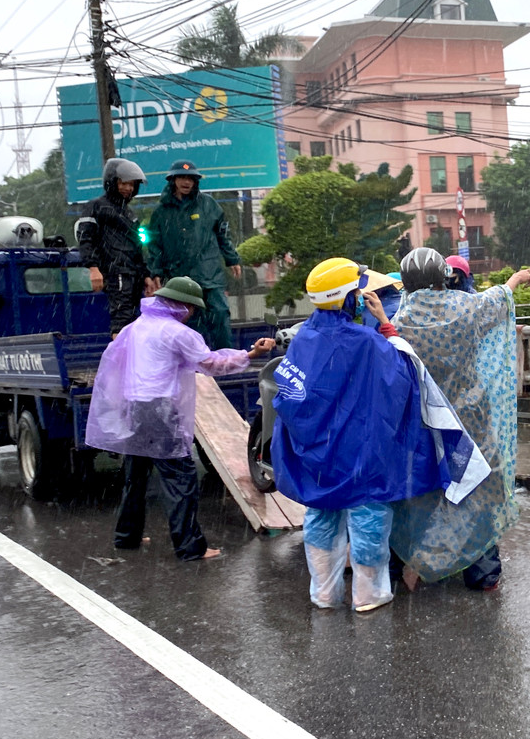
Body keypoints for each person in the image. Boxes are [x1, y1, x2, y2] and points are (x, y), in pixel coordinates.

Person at [271, 258, 454, 612]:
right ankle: (369, 594)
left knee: (322, 518)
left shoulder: (305, 337)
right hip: (358, 454)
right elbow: (404, 374)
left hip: (318, 455)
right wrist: (386, 325)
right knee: (368, 518)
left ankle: (324, 593)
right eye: (357, 290)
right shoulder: (364, 341)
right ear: (347, 297)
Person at [86, 276, 274, 561]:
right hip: (160, 410)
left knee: (135, 476)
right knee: (181, 478)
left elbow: (117, 363)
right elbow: (212, 364)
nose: (193, 313)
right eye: (193, 307)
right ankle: (190, 547)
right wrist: (251, 353)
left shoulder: (135, 327)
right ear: (183, 305)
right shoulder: (177, 333)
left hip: (136, 406)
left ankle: (127, 537)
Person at [389, 247, 530, 590]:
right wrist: (514, 278)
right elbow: (497, 299)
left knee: (427, 491)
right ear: (443, 276)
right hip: (470, 416)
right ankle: (482, 572)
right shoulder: (466, 308)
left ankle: (416, 563)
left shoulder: (399, 320)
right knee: (480, 486)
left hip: (426, 420)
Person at [145, 159, 242, 350]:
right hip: (179, 277)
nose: (186, 182)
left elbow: (223, 234)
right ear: (172, 180)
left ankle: (226, 359)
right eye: (181, 177)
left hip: (209, 274)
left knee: (220, 315)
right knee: (187, 323)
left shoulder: (209, 205)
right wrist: (154, 272)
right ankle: (193, 364)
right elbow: (154, 245)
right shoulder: (161, 212)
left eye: (190, 178)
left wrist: (232, 259)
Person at [77, 157, 156, 335]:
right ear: (112, 182)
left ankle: (131, 359)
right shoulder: (96, 206)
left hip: (133, 274)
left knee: (134, 319)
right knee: (121, 318)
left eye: (132, 185)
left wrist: (146, 276)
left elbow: (137, 249)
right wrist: (93, 268)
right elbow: (85, 238)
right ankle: (121, 360)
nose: (128, 188)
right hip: (115, 272)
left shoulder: (129, 214)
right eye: (123, 183)